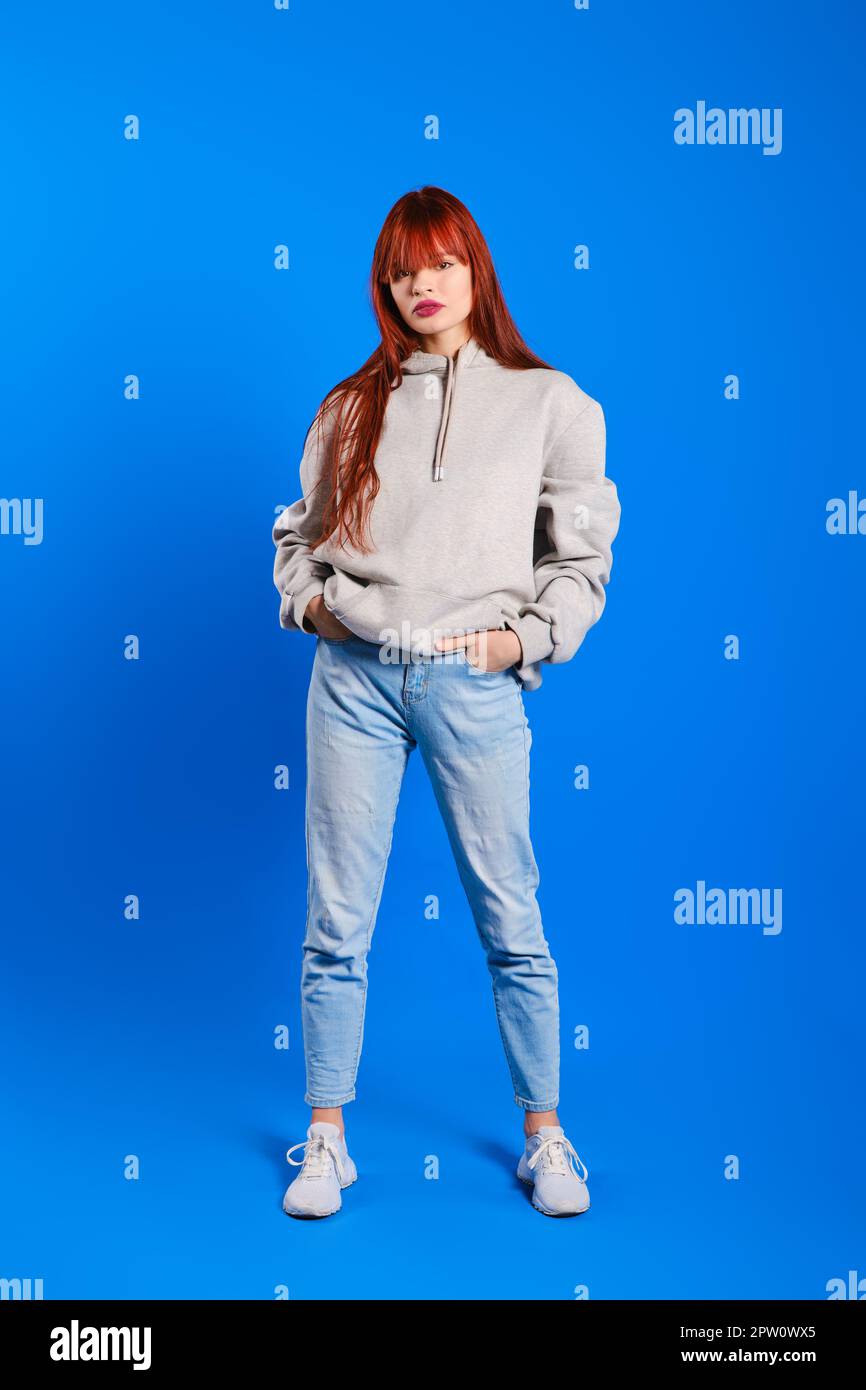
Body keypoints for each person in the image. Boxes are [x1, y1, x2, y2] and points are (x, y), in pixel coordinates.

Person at [272, 185, 621, 1218]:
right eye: (400, 267)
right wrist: (312, 608)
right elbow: (296, 533)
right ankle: (325, 1138)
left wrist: (525, 637)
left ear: (475, 270)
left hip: (473, 682)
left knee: (511, 916)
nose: (420, 284)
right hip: (354, 684)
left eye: (440, 262)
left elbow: (580, 557)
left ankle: (546, 1137)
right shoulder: (347, 405)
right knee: (335, 920)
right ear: (384, 282)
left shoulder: (549, 401)